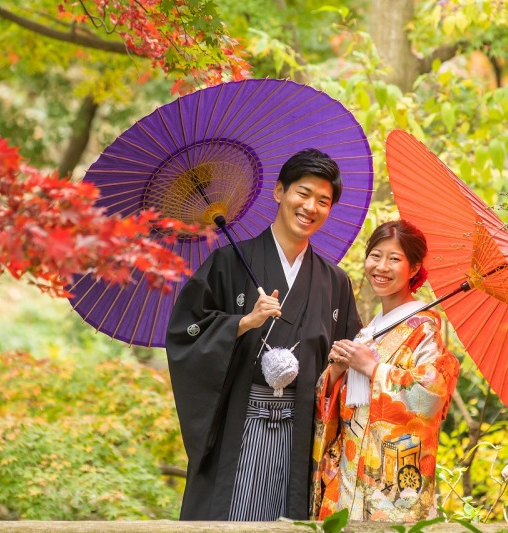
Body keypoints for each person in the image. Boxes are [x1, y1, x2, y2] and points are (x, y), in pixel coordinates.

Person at [166, 148, 362, 521]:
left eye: (323, 201)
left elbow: (346, 356)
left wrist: (339, 369)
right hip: (240, 423)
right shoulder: (227, 263)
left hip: (301, 430)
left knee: (289, 521)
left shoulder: (334, 280)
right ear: (279, 192)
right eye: (302, 193)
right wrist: (242, 322)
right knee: (233, 519)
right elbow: (184, 334)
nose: (311, 207)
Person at [310, 219, 460, 522]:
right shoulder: (370, 331)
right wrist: (337, 372)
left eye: (394, 259)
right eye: (375, 255)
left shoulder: (425, 329)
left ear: (415, 268)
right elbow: (342, 405)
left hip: (389, 477)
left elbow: (430, 397)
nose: (381, 267)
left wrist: (372, 368)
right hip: (349, 473)